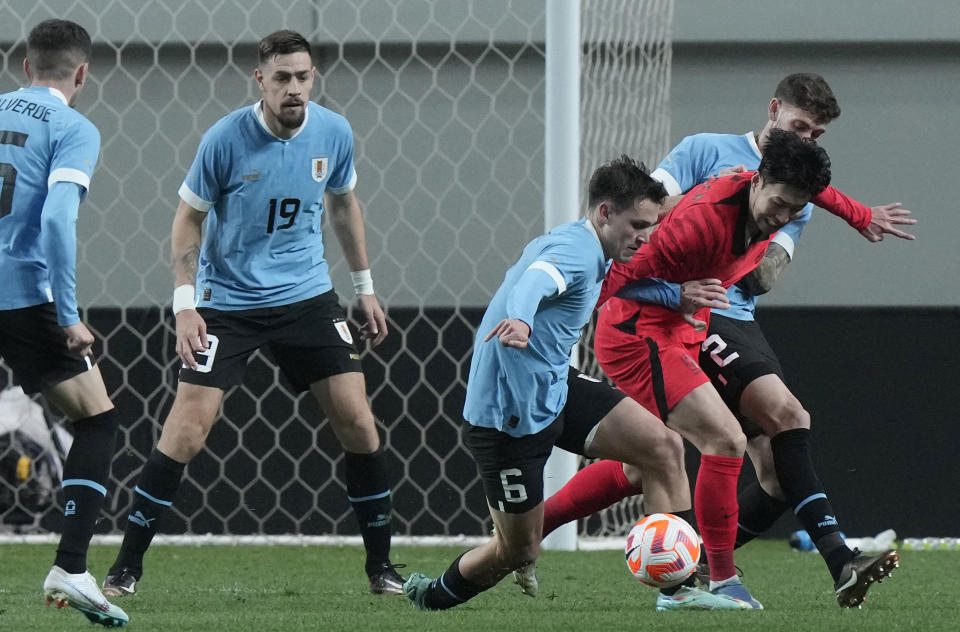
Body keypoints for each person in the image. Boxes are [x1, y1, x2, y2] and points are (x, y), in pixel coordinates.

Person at [542, 74, 912, 608]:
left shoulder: (782, 189)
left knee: (652, 460)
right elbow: (619, 266)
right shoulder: (698, 201)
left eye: (795, 210)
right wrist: (554, 323)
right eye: (779, 205)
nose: (783, 219)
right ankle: (719, 579)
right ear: (772, 115)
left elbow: (804, 198)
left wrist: (858, 215)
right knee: (738, 436)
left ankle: (532, 530)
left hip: (687, 326)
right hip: (642, 329)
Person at [101, 30, 404, 598]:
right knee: (188, 430)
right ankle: (125, 568)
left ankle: (381, 569)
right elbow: (187, 220)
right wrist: (185, 307)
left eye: (304, 76)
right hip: (229, 303)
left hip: (307, 296)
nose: (295, 89)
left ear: (314, 77)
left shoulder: (334, 132)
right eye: (283, 78)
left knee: (359, 422)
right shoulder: (225, 140)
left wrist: (364, 287)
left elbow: (343, 204)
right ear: (260, 80)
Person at [403, 156, 751, 612]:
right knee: (517, 551)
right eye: (639, 224)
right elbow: (535, 282)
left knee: (663, 447)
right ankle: (432, 597)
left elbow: (610, 284)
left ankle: (681, 588)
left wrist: (674, 294)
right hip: (509, 416)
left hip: (554, 385)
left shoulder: (597, 248)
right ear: (605, 213)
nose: (647, 236)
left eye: (653, 223)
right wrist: (522, 321)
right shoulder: (574, 251)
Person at [0, 19, 129, 627]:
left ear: (24, 66)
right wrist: (71, 317)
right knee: (97, 420)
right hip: (22, 297)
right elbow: (55, 222)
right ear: (82, 73)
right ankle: (71, 567)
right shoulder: (72, 127)